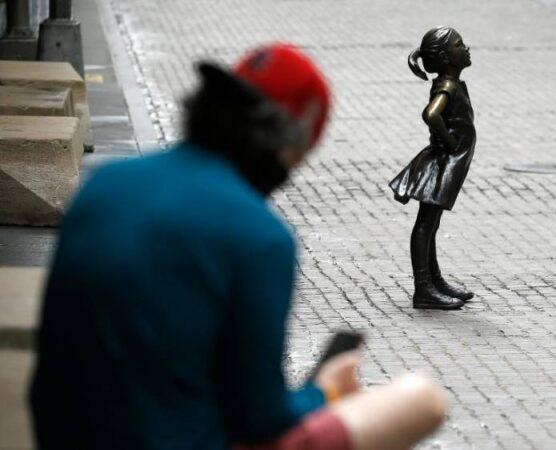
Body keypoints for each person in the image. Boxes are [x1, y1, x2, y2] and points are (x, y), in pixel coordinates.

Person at [30, 44, 446, 450]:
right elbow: (261, 418)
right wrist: (323, 391)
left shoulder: (106, 183)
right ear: (289, 145)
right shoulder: (260, 238)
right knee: (421, 399)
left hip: (60, 438)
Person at [389, 27, 476, 310]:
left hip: (447, 160)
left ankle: (434, 281)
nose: (466, 48)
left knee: (431, 222)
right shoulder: (448, 86)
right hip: (441, 162)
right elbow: (431, 114)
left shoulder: (450, 82)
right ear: (445, 57)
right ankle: (424, 288)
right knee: (426, 223)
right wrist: (450, 142)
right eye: (459, 45)